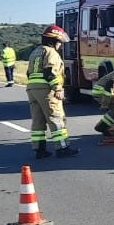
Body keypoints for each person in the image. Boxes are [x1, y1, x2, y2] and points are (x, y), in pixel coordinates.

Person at [26, 26, 78, 159]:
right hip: (46, 90)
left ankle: (39, 150)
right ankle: (62, 148)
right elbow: (50, 72)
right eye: (59, 42)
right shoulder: (51, 52)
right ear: (53, 41)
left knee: (38, 120)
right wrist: (58, 89)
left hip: (32, 89)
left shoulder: (35, 52)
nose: (60, 45)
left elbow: (28, 72)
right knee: (56, 118)